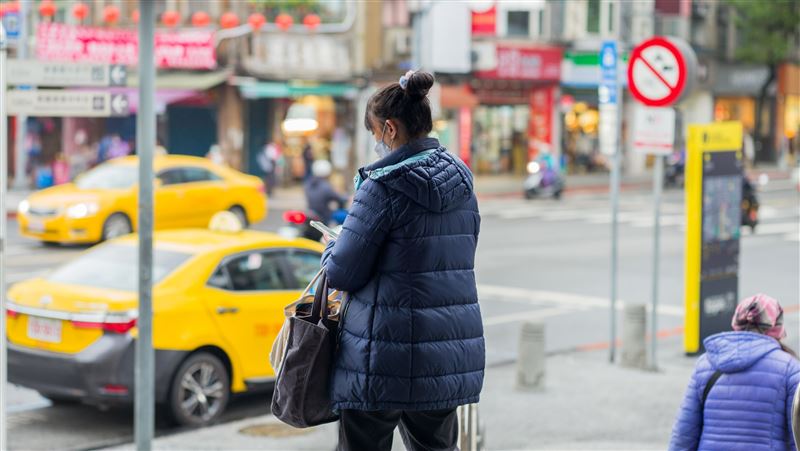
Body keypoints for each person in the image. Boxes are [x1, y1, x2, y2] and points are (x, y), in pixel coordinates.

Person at [321, 70, 484, 451]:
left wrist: (332, 247)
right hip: (445, 355)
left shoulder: (381, 187)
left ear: (390, 129)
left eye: (375, 133)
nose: (375, 142)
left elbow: (344, 271)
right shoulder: (461, 180)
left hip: (382, 356)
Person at [669, 294, 800, 451]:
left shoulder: (705, 364)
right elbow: (796, 436)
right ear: (777, 327)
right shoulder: (789, 369)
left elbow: (684, 435)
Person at [303, 159, 347, 225]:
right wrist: (346, 198)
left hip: (312, 212)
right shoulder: (325, 186)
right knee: (346, 216)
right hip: (324, 215)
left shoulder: (308, 184)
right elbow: (338, 198)